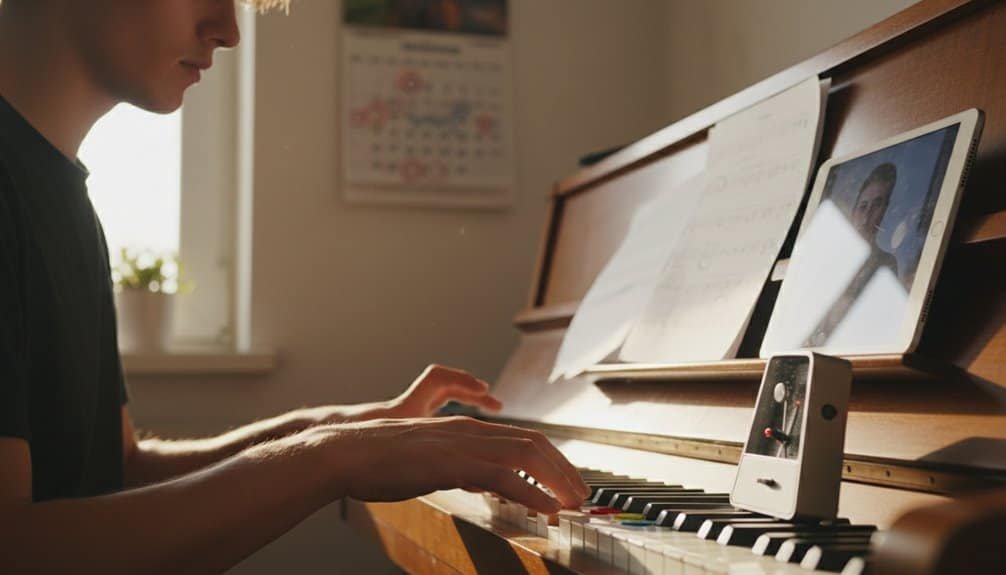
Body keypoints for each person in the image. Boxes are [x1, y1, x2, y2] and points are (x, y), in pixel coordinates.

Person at [0, 1, 588, 572]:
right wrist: (331, 459)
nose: (228, 30)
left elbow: (122, 472)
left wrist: (334, 431)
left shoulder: (65, 197)